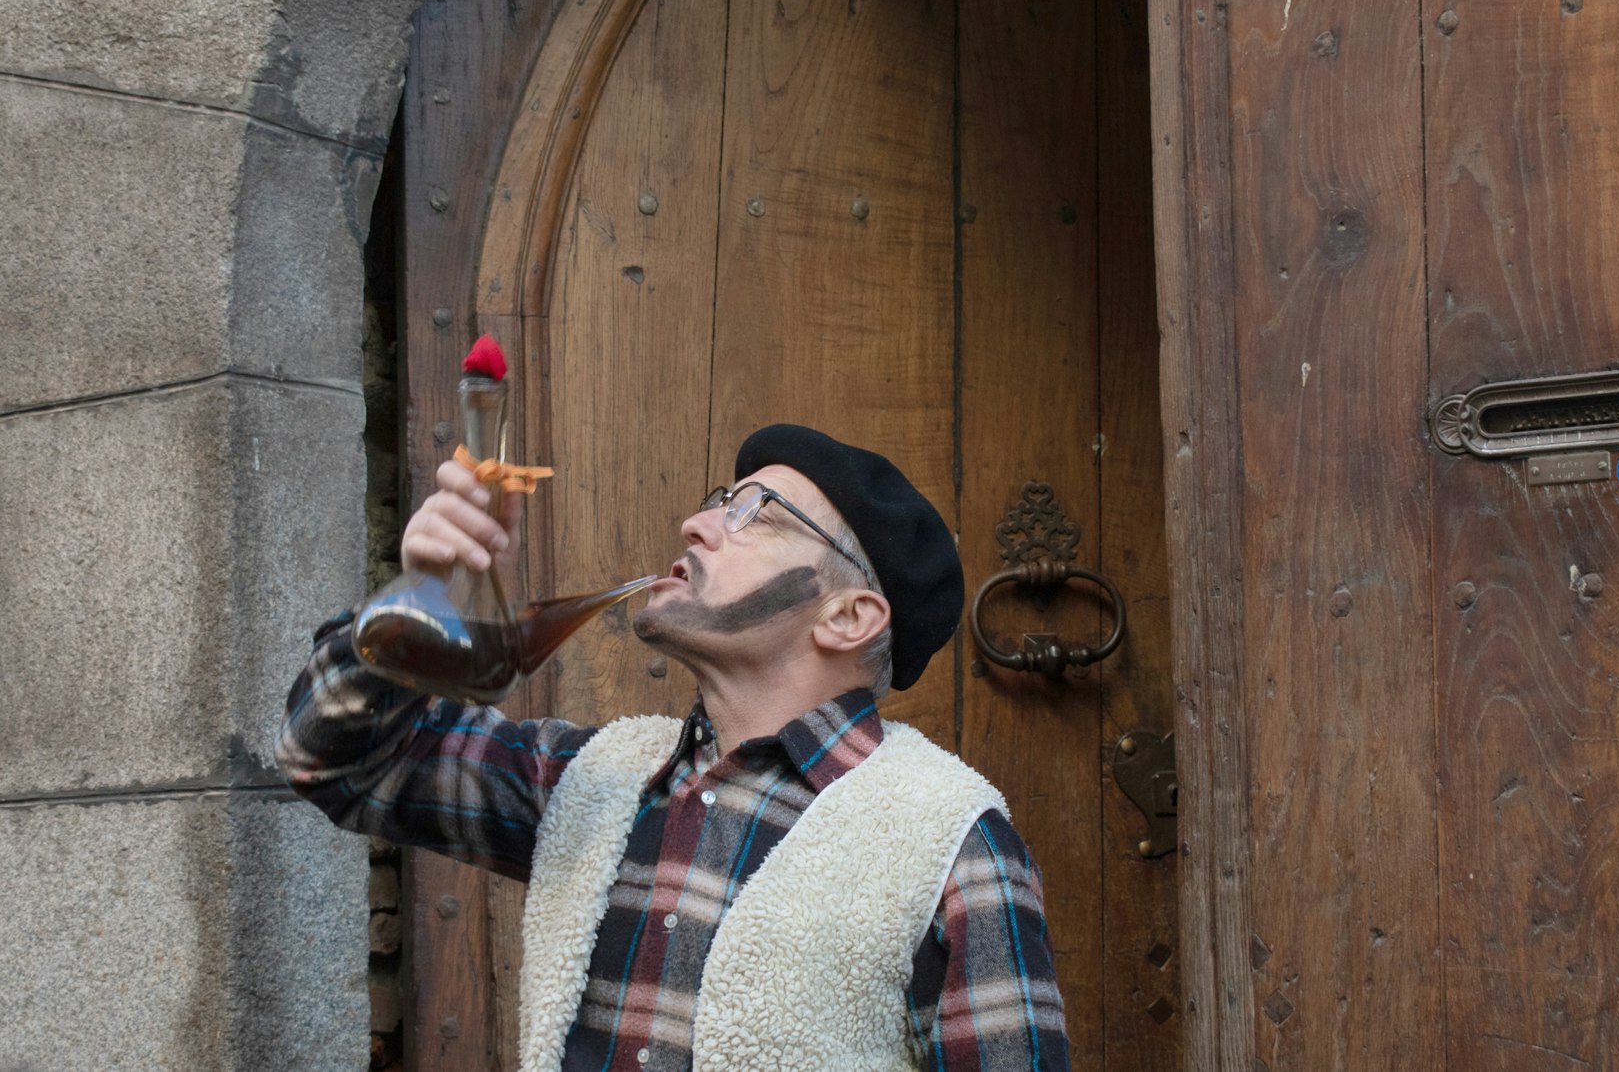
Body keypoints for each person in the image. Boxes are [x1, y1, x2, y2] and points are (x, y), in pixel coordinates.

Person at [276, 424, 1070, 1072]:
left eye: (752, 512)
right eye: (716, 501)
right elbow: (336, 757)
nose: (697, 523)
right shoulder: (591, 781)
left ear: (847, 617)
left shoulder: (949, 841)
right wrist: (417, 602)